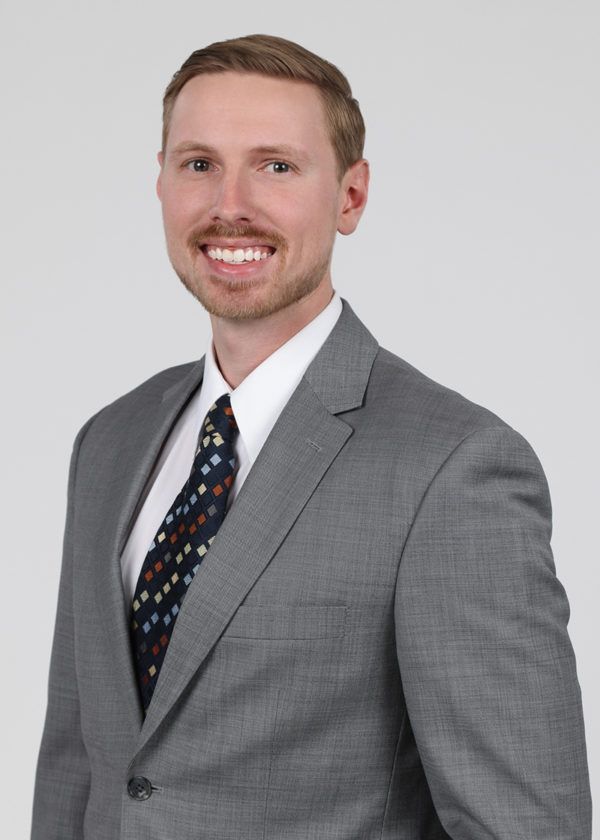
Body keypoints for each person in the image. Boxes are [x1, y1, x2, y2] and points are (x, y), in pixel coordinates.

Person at [31, 33, 591, 840]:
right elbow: (75, 774)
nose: (231, 204)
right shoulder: (110, 443)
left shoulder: (453, 469)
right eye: (199, 164)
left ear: (351, 196)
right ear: (159, 182)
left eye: (277, 166)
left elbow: (527, 826)